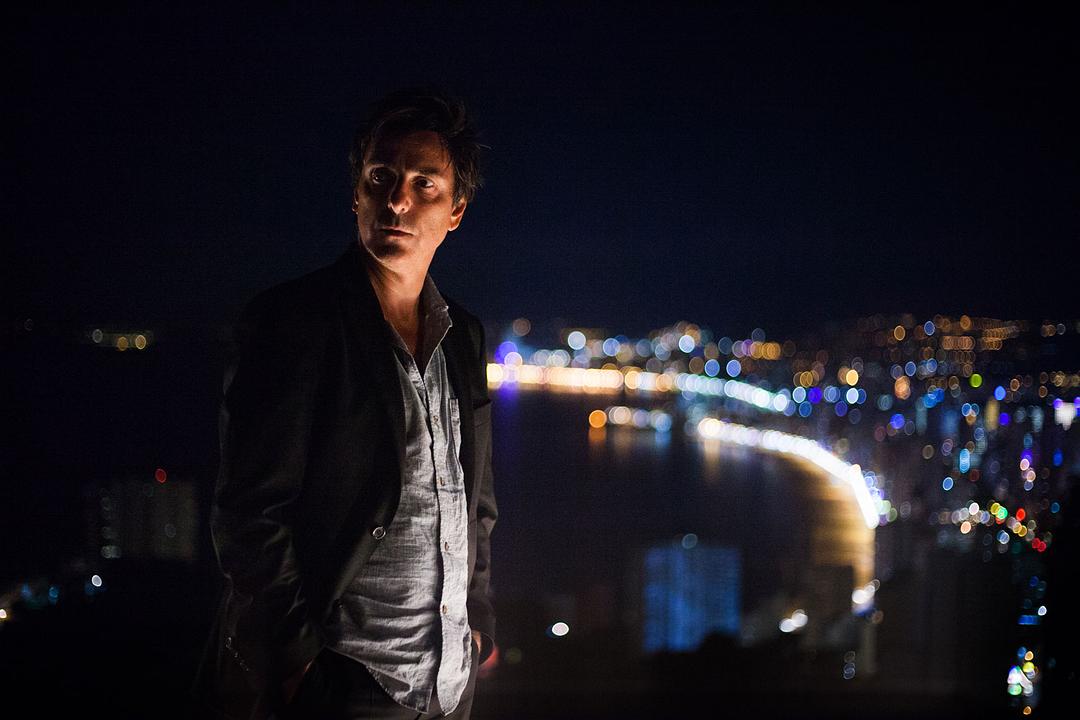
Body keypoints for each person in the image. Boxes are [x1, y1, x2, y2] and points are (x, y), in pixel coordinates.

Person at [191, 88, 497, 719]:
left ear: (456, 210)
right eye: (381, 177)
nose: (397, 201)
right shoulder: (294, 321)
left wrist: (479, 622)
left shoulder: (463, 336)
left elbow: (477, 500)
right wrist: (296, 664)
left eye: (424, 184)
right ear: (356, 193)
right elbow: (249, 511)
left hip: (448, 687)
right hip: (346, 681)